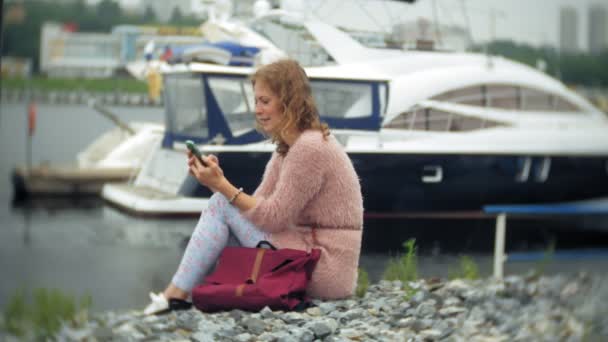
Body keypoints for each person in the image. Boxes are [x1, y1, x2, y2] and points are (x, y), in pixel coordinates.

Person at [144, 59, 364, 315]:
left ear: (289, 101)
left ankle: (176, 295)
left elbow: (271, 218)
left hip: (322, 269)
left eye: (265, 101)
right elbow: (256, 208)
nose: (257, 110)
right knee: (223, 208)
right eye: (256, 101)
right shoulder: (288, 148)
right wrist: (218, 179)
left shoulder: (309, 149)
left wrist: (221, 187)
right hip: (306, 256)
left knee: (219, 204)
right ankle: (190, 294)